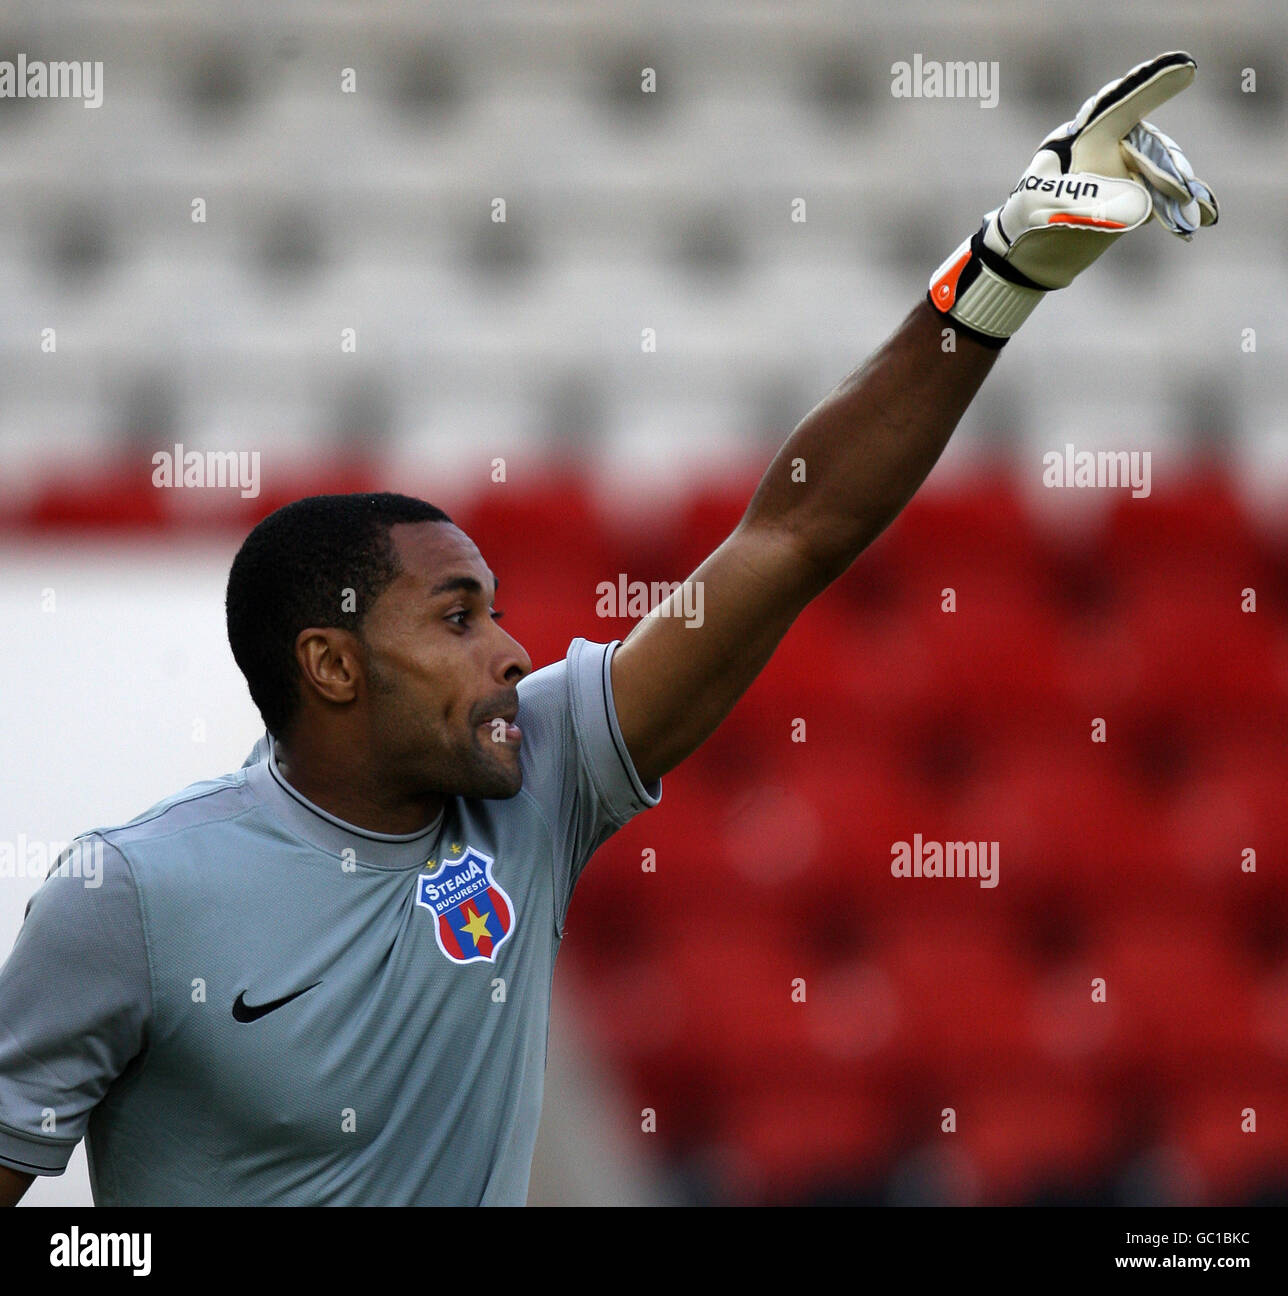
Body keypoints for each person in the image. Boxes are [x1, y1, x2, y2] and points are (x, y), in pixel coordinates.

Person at [0, 52, 1216, 1206]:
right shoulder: (130, 897)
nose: (515, 653)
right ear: (330, 664)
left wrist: (997, 276)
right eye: (458, 617)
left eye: (501, 612)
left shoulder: (535, 780)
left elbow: (791, 538)